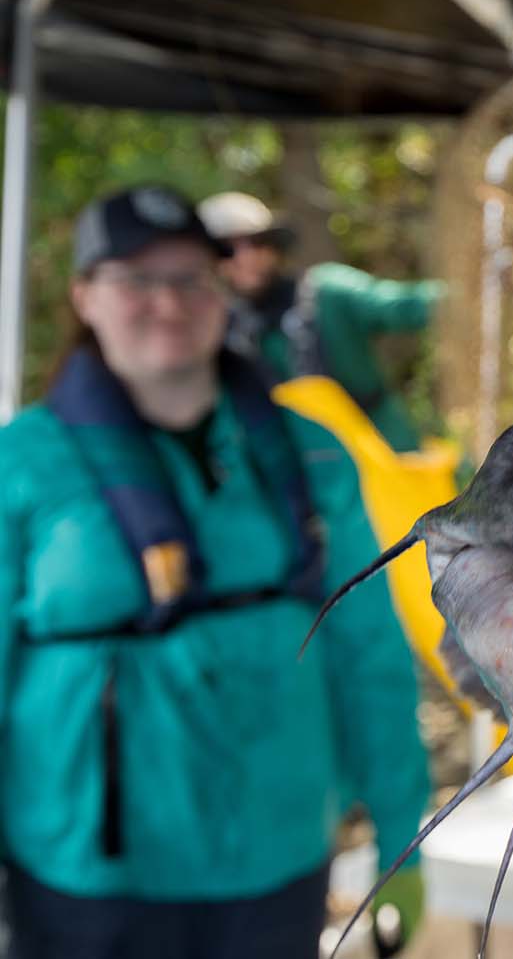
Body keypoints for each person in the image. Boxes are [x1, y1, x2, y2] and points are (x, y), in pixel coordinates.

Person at [0, 186, 431, 958]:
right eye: (135, 278)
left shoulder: (312, 455)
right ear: (83, 296)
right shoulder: (20, 463)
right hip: (84, 880)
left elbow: (369, 654)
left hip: (274, 866)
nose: (167, 300)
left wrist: (403, 836)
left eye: (191, 277)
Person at [199, 190, 447, 453]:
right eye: (227, 249)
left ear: (274, 245)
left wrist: (472, 295)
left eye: (257, 243)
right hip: (304, 476)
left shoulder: (329, 293)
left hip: (387, 458)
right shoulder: (218, 330)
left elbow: (403, 306)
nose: (246, 258)